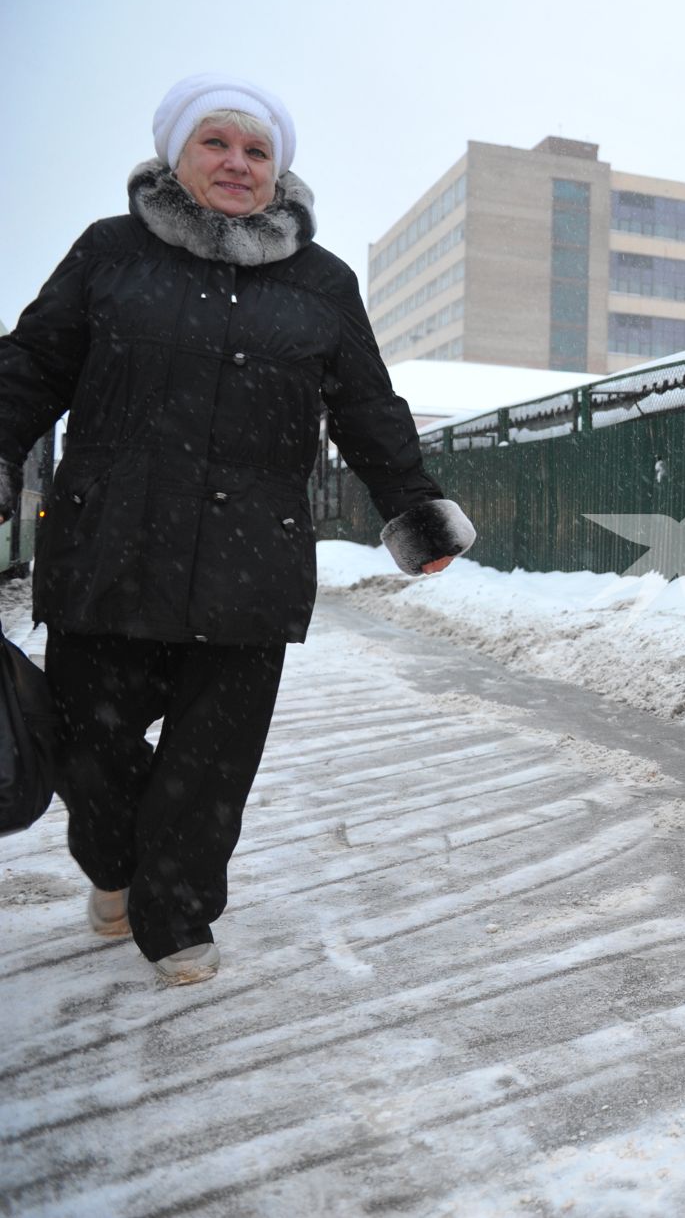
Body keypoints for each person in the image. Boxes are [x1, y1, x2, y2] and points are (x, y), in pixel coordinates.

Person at [0, 74, 475, 985]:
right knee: (87, 749)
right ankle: (114, 866)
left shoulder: (322, 283)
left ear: (279, 172)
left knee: (211, 768)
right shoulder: (110, 253)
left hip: (248, 565)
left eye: (257, 151)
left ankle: (174, 910)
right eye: (216, 143)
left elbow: (369, 407)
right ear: (176, 154)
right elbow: (30, 367)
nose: (236, 163)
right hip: (111, 552)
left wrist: (413, 508)